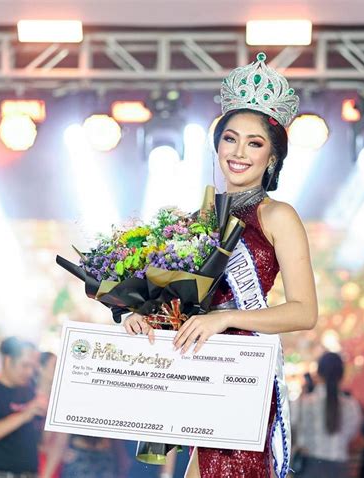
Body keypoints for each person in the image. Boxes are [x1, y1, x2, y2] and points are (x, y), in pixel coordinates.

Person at [123, 52, 318, 477]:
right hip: (199, 375)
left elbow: (305, 312)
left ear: (273, 158)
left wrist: (223, 318)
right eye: (230, 139)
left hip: (242, 376)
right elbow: (175, 307)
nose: (239, 152)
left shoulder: (278, 216)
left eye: (255, 143)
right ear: (217, 145)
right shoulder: (197, 221)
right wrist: (142, 318)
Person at [292, 352, 362, 478]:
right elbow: (352, 434)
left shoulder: (304, 402)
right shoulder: (351, 405)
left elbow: (291, 425)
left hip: (310, 466)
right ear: (341, 375)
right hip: (340, 469)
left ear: (318, 373)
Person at [0, 336, 46, 477]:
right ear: (8, 361)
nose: (30, 372)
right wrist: (26, 414)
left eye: (33, 367)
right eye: (25, 365)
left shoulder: (30, 390)